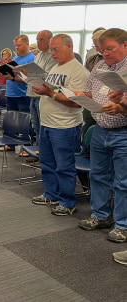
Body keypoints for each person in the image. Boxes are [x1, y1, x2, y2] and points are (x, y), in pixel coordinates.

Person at [77, 28, 127, 243]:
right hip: (100, 129)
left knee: (123, 182)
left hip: (123, 131)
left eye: (110, 48)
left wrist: (122, 107)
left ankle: (123, 224)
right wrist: (81, 96)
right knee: (98, 176)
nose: (105, 53)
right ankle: (100, 215)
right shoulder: (98, 66)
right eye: (102, 49)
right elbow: (90, 91)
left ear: (125, 46)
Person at [31, 34, 89, 216]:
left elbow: (77, 102)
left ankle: (67, 202)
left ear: (69, 47)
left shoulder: (79, 71)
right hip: (47, 123)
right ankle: (51, 194)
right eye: (51, 49)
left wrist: (50, 94)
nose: (52, 53)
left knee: (64, 166)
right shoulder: (56, 67)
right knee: (47, 163)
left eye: (56, 49)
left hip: (65, 126)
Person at [25, 30, 56, 146]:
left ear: (50, 41)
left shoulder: (52, 56)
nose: (38, 42)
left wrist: (31, 72)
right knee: (36, 127)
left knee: (43, 128)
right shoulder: (37, 56)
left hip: (42, 95)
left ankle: (42, 154)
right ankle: (37, 153)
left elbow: (48, 76)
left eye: (41, 39)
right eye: (37, 39)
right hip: (32, 94)